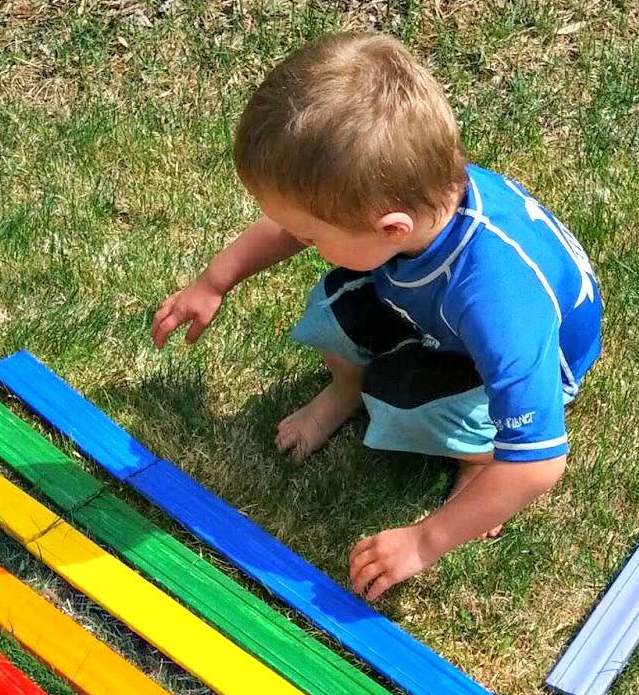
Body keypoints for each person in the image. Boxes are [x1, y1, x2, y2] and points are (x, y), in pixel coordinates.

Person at [152, 32, 602, 601]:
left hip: (522, 357)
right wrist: (216, 281)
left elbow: (541, 463)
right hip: (439, 307)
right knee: (336, 300)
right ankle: (346, 392)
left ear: (392, 228)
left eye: (313, 237)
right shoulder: (411, 200)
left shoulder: (499, 306)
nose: (302, 243)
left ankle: (481, 454)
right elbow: (293, 224)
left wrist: (424, 541)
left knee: (408, 402)